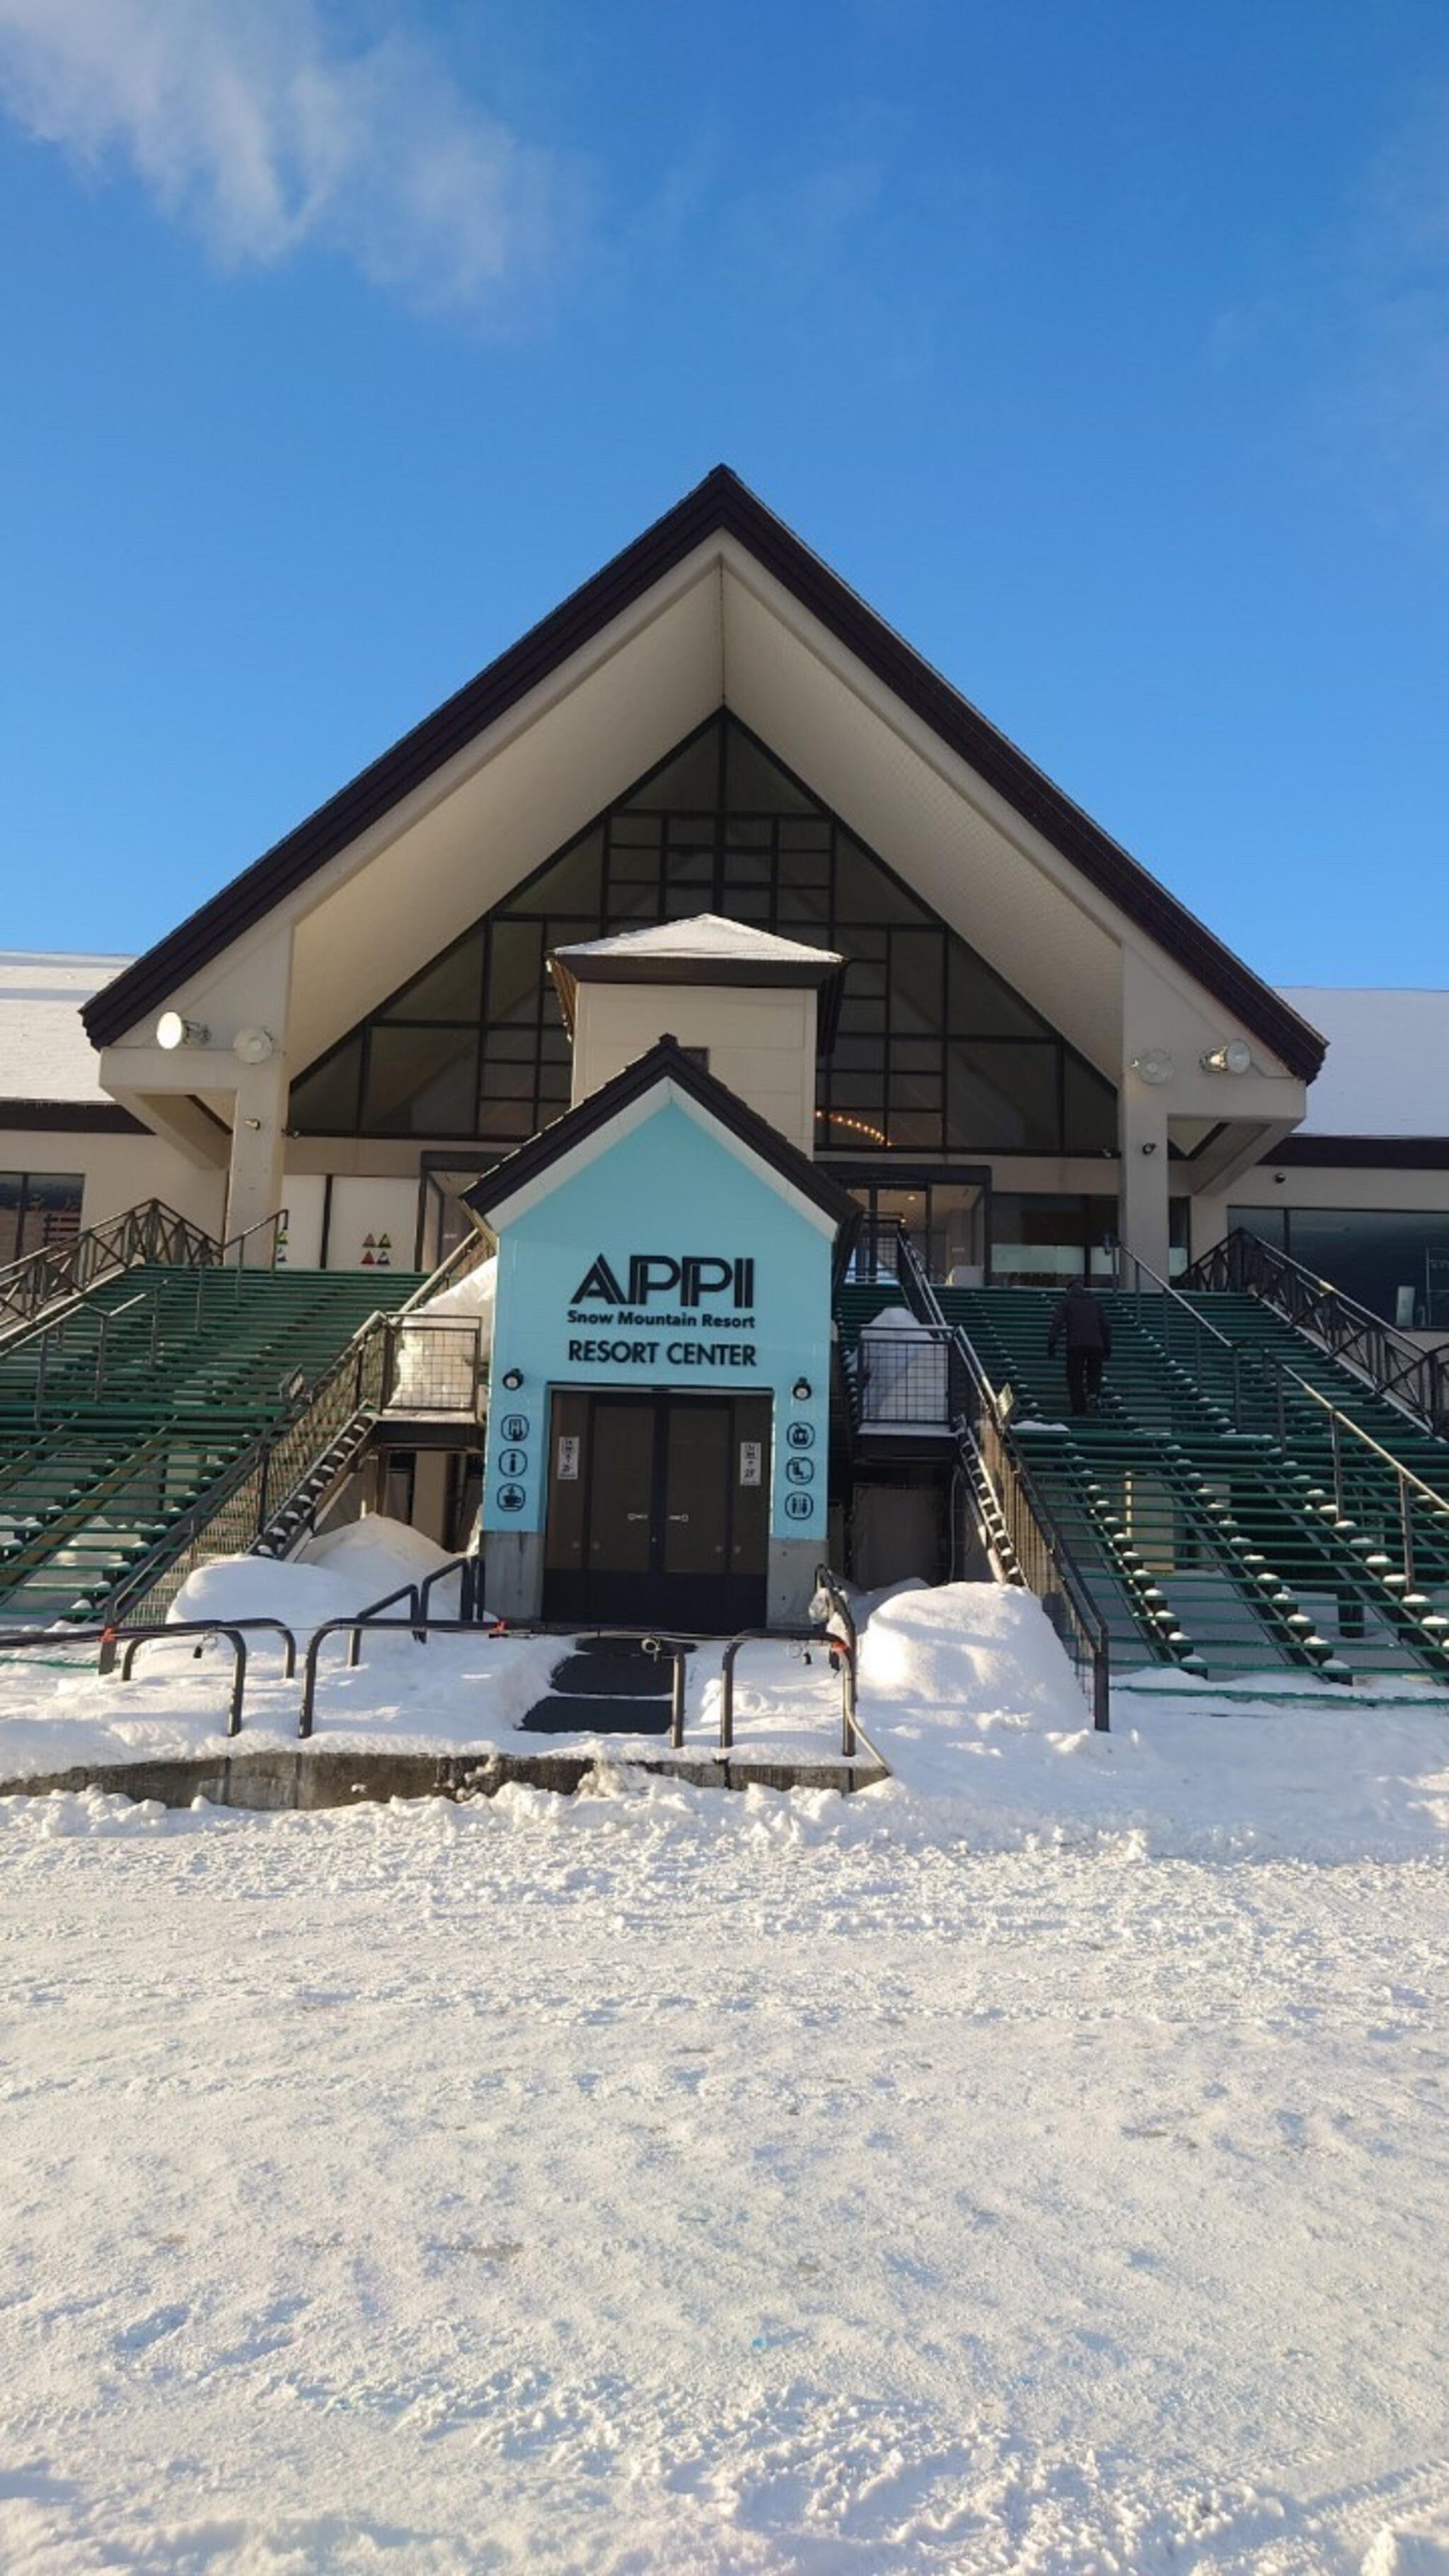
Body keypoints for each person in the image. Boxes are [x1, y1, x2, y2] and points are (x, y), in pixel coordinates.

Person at [1046, 1277, 1112, 1418]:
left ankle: (1079, 1409)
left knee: (1074, 1377)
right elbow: (1106, 1325)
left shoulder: (1067, 1302)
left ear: (1069, 1290)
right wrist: (1108, 1346)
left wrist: (1052, 1343)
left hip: (1075, 1344)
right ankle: (1093, 1393)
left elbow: (1057, 1323)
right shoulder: (1095, 1302)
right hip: (1096, 1345)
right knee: (1094, 1372)